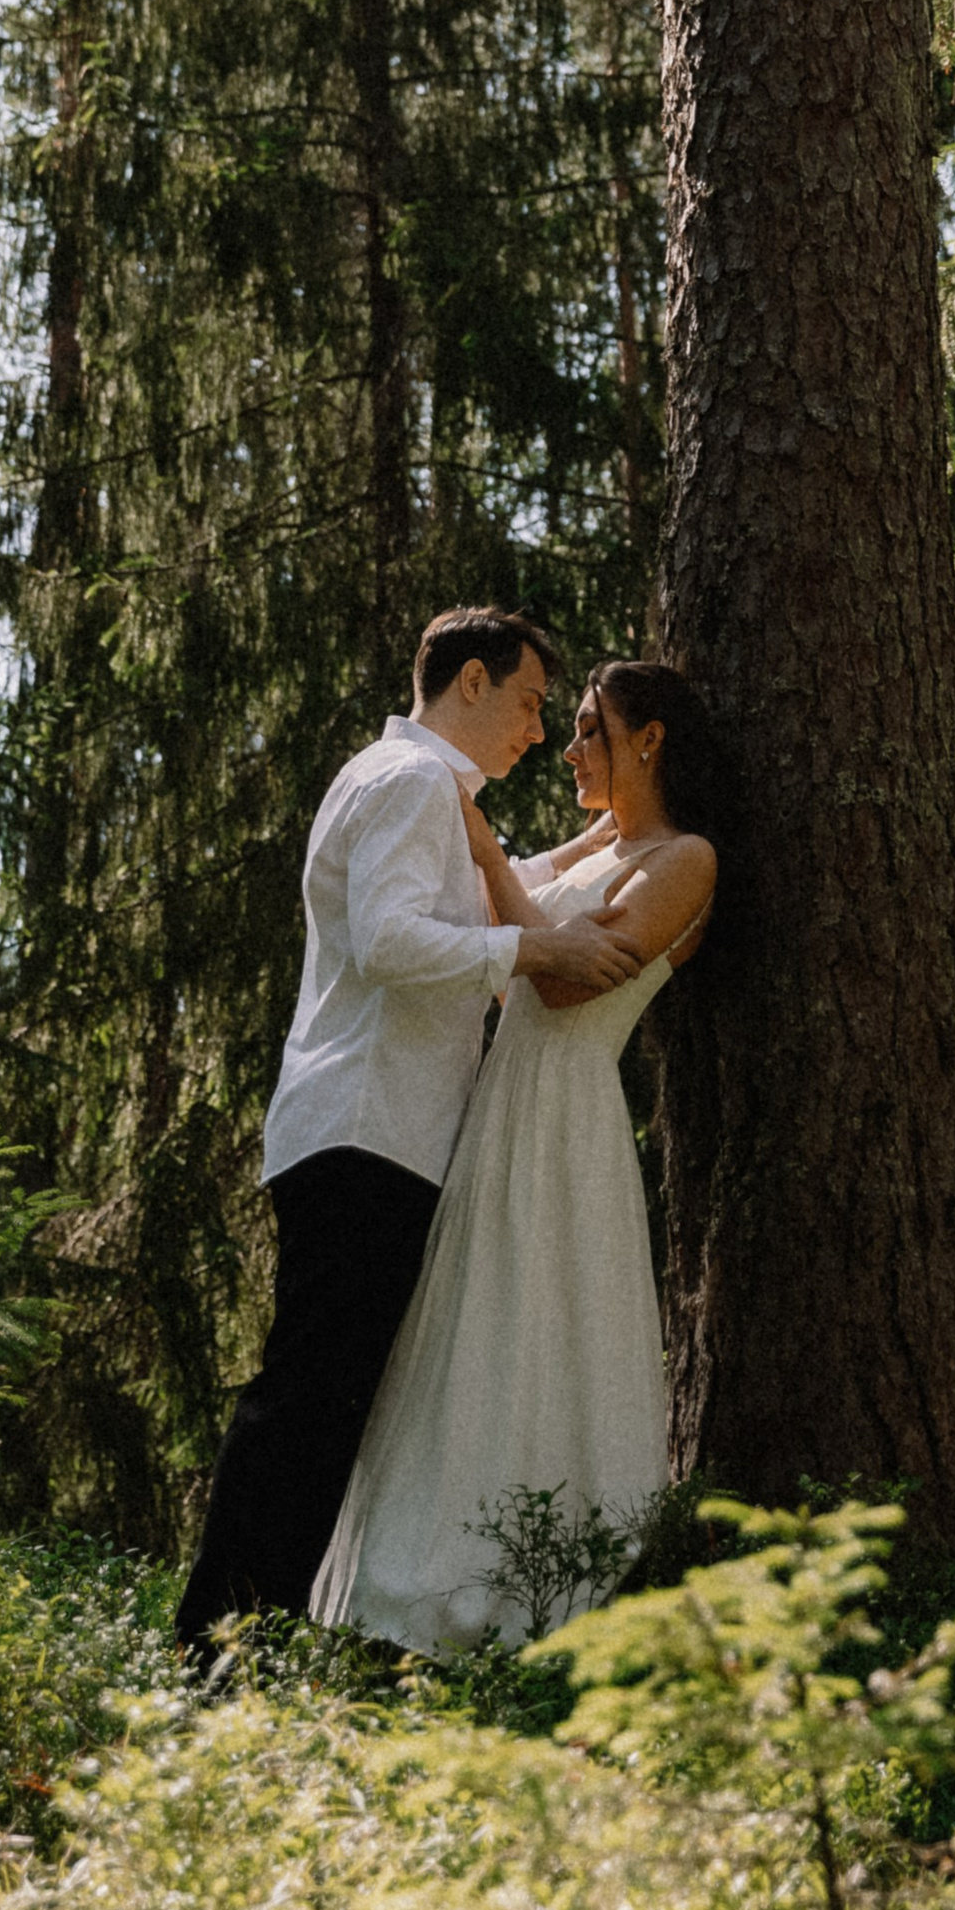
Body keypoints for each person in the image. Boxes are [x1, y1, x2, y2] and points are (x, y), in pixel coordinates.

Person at [173, 607, 648, 1653]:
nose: (536, 732)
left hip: (375, 1129)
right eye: (529, 703)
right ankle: (215, 1649)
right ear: (468, 682)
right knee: (308, 1400)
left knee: (330, 1400)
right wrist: (531, 956)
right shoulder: (407, 784)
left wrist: (598, 847)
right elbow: (387, 939)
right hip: (365, 1129)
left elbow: (454, 906)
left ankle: (243, 1643)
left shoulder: (419, 789)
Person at [311, 660, 719, 1652]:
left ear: (650, 739)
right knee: (466, 1330)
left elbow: (566, 982)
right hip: (498, 1109)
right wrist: (533, 849)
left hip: (566, 1110)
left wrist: (488, 853)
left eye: (588, 730)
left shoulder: (685, 860)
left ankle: (539, 1588)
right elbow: (530, 913)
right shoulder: (611, 846)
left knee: (539, 1326)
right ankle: (412, 1585)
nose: (569, 749)